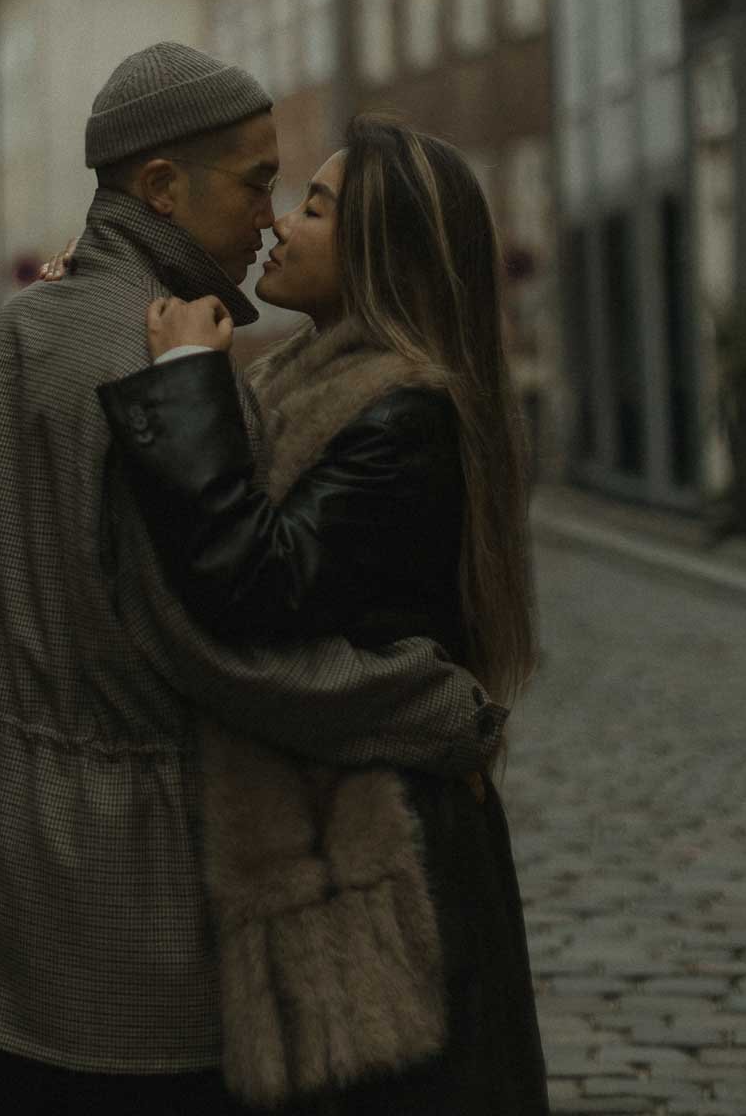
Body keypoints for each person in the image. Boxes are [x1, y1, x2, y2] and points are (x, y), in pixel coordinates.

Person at [0, 45, 507, 1116]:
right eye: (256, 183)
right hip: (125, 891)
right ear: (164, 189)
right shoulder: (159, 366)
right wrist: (429, 706)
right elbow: (224, 652)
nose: (269, 217)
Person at [99, 115, 549, 1114]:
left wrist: (185, 382)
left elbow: (255, 583)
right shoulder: (318, 383)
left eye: (312, 208)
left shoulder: (403, 416)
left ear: (379, 252)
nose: (278, 229)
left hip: (386, 861)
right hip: (342, 835)